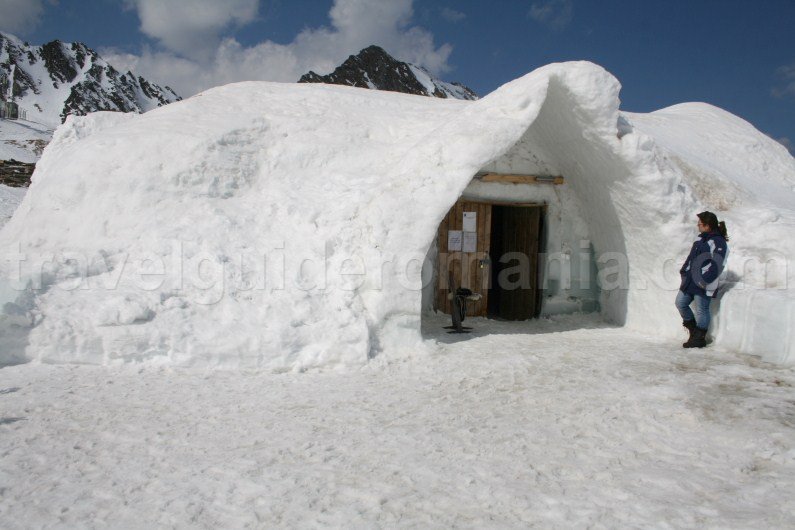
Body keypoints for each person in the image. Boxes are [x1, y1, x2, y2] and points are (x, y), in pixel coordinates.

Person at [676, 211, 730, 348]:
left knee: (702, 309)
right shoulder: (699, 239)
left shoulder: (718, 242)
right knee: (680, 303)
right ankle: (694, 331)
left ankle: (699, 338)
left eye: (699, 224)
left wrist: (704, 280)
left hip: (705, 282)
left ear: (707, 225)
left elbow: (717, 264)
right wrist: (684, 271)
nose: (698, 226)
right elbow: (691, 258)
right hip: (690, 279)